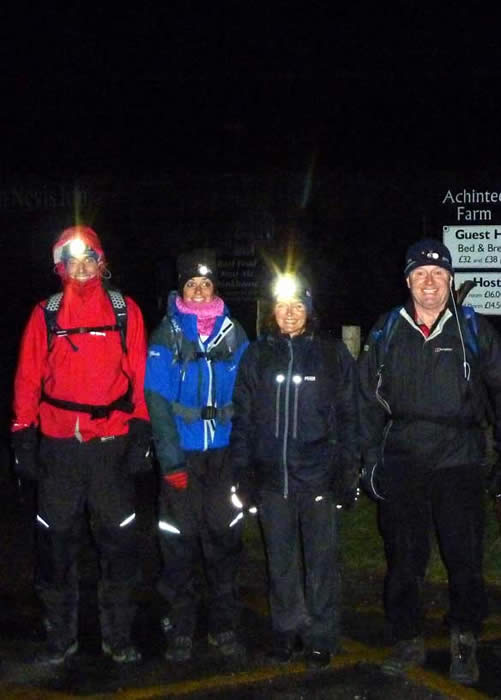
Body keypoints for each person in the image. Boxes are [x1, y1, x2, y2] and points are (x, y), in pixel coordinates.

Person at [359, 238, 501, 686]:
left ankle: (464, 637)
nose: (429, 283)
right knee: (404, 556)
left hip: (459, 458)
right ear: (408, 281)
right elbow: (365, 401)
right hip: (403, 457)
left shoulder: (474, 329)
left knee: (464, 556)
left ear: (450, 280)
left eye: (438, 274)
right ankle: (406, 636)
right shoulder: (386, 329)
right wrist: (368, 459)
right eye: (420, 274)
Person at [11, 225, 151, 665]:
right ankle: (60, 634)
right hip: (58, 447)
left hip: (110, 444)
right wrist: (22, 434)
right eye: (73, 260)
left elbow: (141, 374)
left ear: (101, 262)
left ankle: (118, 635)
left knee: (119, 544)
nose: (82, 267)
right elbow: (28, 377)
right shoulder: (45, 313)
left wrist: (141, 429)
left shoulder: (125, 310)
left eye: (90, 258)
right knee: (55, 544)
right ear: (61, 266)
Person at [230, 271, 359, 669]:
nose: (289, 314)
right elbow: (244, 418)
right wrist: (243, 471)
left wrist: (347, 470)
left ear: (310, 310)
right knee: (281, 562)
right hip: (273, 481)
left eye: (297, 306)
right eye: (283, 306)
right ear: (273, 311)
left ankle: (321, 636)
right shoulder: (257, 355)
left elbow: (349, 416)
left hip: (318, 477)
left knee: (321, 562)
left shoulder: (331, 354)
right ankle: (286, 631)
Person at [145, 248, 249, 662]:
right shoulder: (167, 334)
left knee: (225, 541)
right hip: (183, 457)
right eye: (192, 284)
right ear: (182, 289)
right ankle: (181, 628)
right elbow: (157, 398)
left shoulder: (235, 333)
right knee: (179, 545)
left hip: (222, 456)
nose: (201, 291)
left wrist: (242, 454)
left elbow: (247, 395)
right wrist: (170, 462)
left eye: (207, 284)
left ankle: (224, 626)